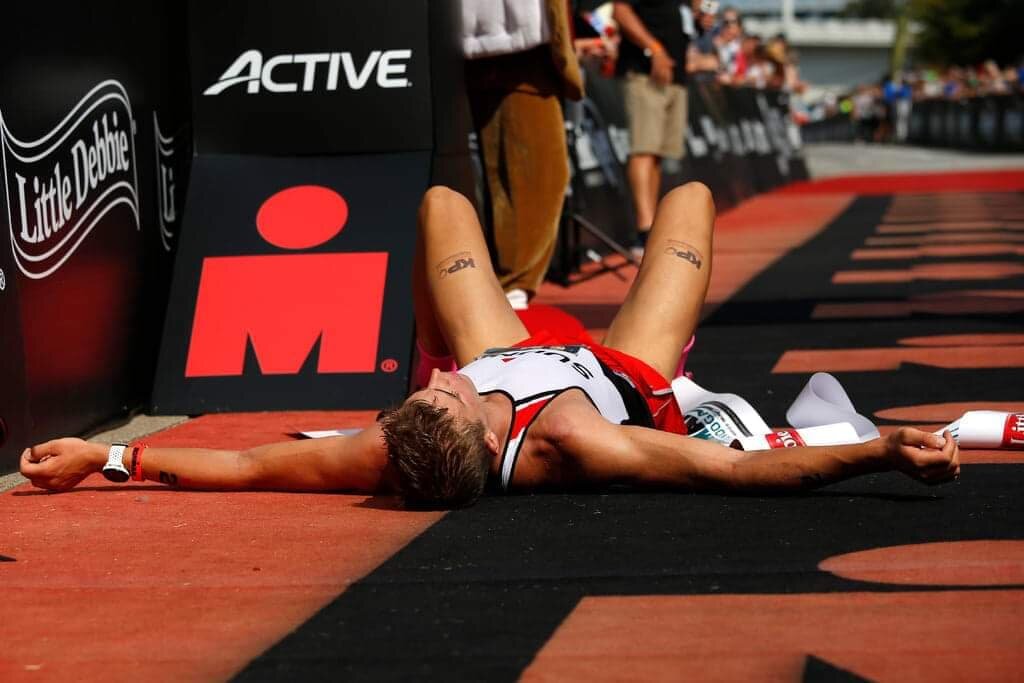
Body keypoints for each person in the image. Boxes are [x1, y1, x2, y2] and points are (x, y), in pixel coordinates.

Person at [20, 184, 961, 508]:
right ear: (474, 426)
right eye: (436, 394)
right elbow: (732, 476)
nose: (425, 395)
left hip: (505, 346)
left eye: (420, 396)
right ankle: (660, 351)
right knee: (694, 203)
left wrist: (108, 455)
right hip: (618, 376)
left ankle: (457, 332)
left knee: (438, 206)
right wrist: (875, 450)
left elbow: (243, 463)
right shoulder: (576, 444)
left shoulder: (394, 445)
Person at [462, 0, 583, 310]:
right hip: (513, 42)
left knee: (501, 171)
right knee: (540, 172)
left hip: (495, 39)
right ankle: (513, 283)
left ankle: (508, 282)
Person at [612, 0, 691, 257]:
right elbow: (621, 11)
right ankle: (643, 230)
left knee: (656, 153)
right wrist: (654, 49)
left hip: (675, 77)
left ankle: (652, 224)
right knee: (644, 149)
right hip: (645, 74)